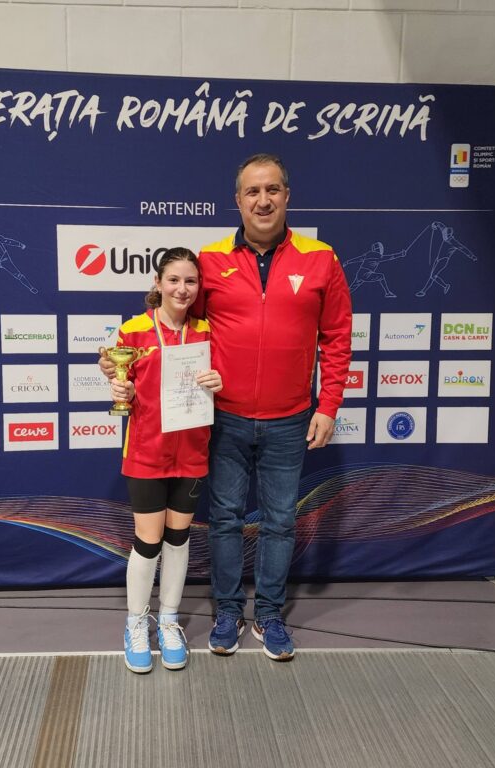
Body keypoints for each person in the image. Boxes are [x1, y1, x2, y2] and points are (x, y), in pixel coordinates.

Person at [189, 153, 352, 661]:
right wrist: (129, 361)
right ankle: (227, 611)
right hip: (224, 416)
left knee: (280, 520)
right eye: (253, 192)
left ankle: (270, 615)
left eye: (273, 190)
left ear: (287, 196)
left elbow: (337, 337)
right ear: (237, 201)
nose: (263, 201)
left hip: (290, 418)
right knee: (224, 518)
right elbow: (182, 330)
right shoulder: (209, 259)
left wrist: (328, 405)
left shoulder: (321, 258)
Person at [109, 248, 223, 674]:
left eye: (190, 281)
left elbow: (223, 379)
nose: (182, 288)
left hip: (191, 451)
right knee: (148, 541)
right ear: (157, 283)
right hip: (147, 451)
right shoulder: (133, 330)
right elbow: (122, 382)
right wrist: (121, 390)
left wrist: (220, 379)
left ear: (199, 286)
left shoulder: (208, 330)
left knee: (178, 538)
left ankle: (170, 620)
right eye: (173, 279)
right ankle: (136, 622)